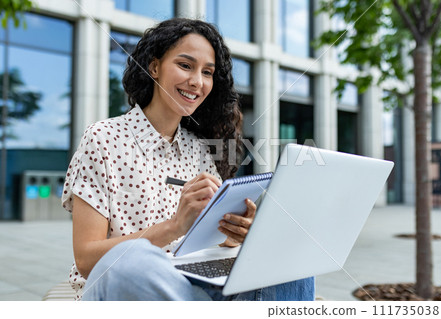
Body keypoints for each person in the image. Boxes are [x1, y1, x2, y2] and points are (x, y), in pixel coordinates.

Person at [62, 17, 314, 301]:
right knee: (134, 260)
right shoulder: (104, 138)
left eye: (207, 72)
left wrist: (233, 236)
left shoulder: (200, 150)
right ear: (154, 67)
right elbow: (85, 260)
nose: (197, 81)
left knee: (289, 251)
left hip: (191, 287)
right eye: (185, 65)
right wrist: (174, 227)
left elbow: (205, 243)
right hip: (123, 286)